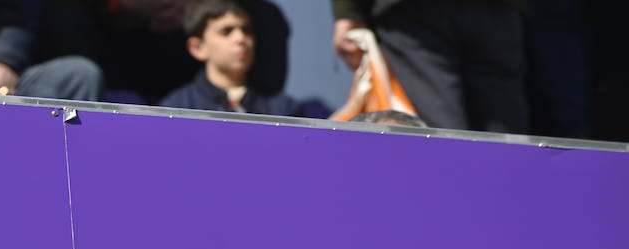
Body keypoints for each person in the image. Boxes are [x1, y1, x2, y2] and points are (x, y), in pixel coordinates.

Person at [331, 0, 527, 133]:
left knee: (438, 135)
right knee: (503, 135)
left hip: (413, 15)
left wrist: (347, 12)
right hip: (495, 10)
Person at [159, 0, 297, 116]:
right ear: (197, 48)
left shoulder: (282, 109)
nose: (241, 38)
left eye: (246, 30)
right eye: (226, 31)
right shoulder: (176, 109)